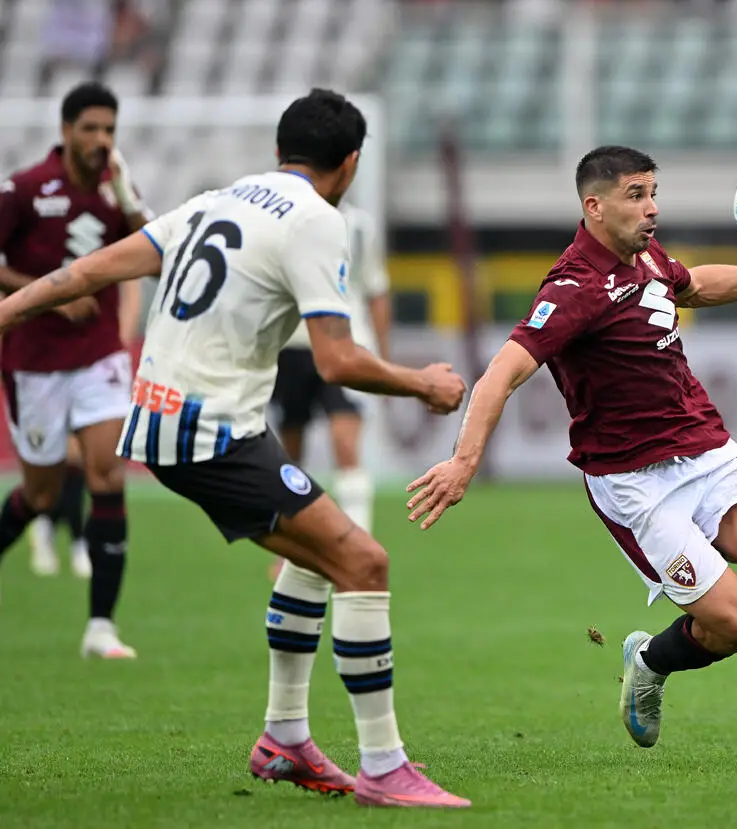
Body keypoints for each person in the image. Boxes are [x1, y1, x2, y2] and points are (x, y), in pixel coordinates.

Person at [0, 88, 471, 809]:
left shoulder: (216, 200)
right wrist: (423, 384)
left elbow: (91, 269)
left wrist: (6, 309)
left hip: (162, 419)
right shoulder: (318, 220)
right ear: (349, 164)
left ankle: (284, 737)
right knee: (362, 560)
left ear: (280, 150)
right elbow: (338, 360)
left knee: (318, 558)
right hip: (209, 431)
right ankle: (384, 765)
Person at [406, 145, 737, 768]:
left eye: (653, 193)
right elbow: (499, 376)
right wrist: (463, 463)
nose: (651, 208)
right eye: (636, 196)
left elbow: (693, 284)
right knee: (733, 624)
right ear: (594, 206)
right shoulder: (573, 290)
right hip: (634, 483)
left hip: (703, 449)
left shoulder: (646, 257)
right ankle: (648, 661)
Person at [0, 81, 150, 657]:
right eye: (90, 128)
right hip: (34, 362)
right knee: (39, 494)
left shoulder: (117, 190)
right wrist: (48, 294)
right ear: (65, 131)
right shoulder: (26, 188)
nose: (100, 139)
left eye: (109, 129)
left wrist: (127, 193)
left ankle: (101, 628)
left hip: (97, 356)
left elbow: (151, 245)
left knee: (106, 475)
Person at [265, 202, 390, 580]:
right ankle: (293, 547)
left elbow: (376, 289)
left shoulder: (360, 226)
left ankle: (358, 543)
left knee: (345, 443)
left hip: (348, 344)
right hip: (293, 346)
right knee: (291, 453)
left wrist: (384, 355)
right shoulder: (282, 218)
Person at [27, 277, 141, 579]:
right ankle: (45, 524)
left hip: (94, 356)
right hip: (39, 359)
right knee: (45, 480)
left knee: (82, 459)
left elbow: (131, 283)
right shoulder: (32, 242)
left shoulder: (108, 240)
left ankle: (77, 539)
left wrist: (121, 339)